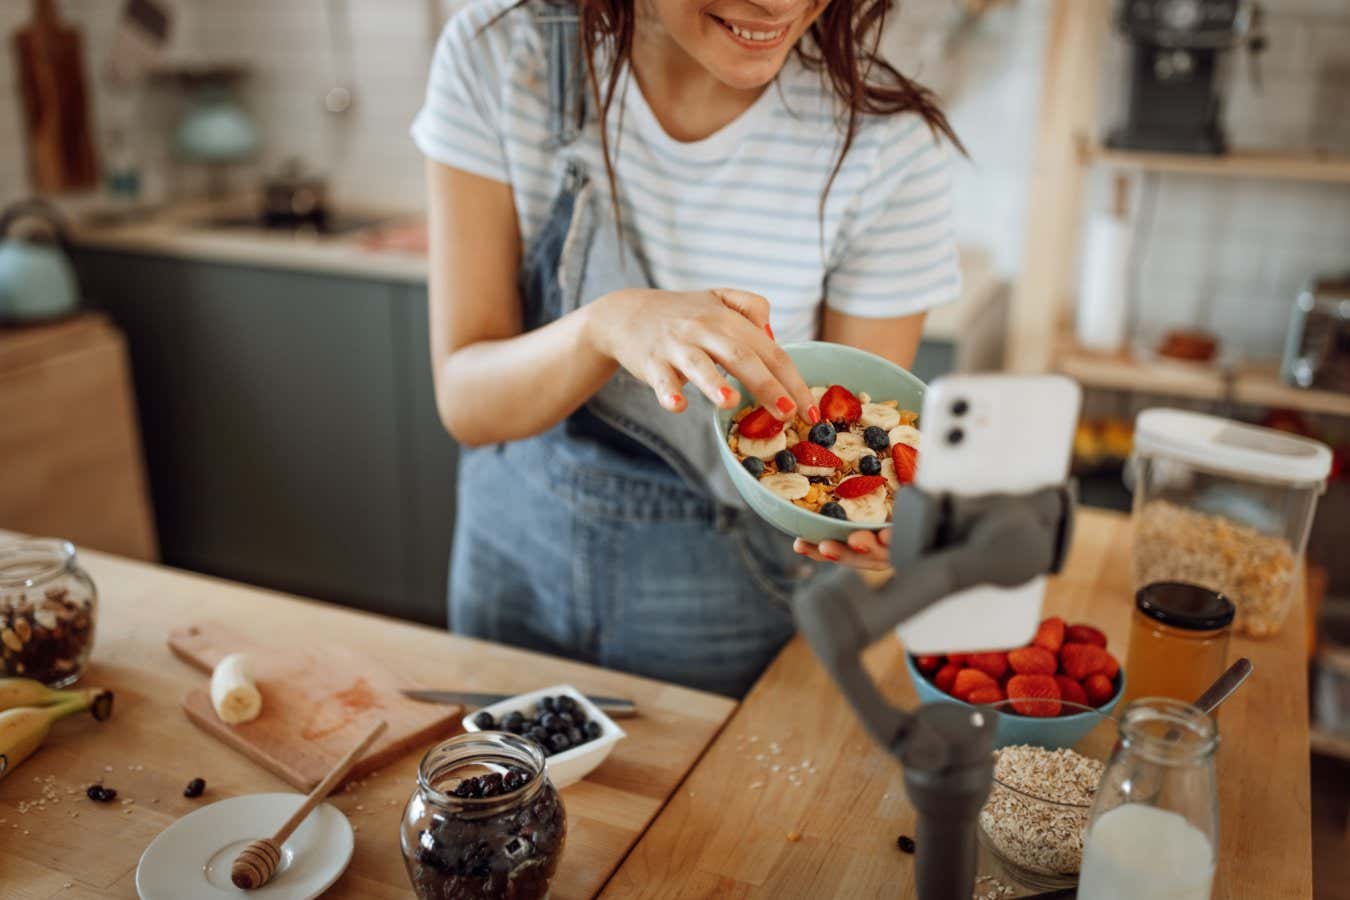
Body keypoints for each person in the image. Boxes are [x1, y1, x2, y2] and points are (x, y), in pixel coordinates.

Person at [412, 0, 961, 696]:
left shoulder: (886, 145)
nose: (779, 4)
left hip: (730, 598)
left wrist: (879, 534)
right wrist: (604, 326)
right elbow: (468, 402)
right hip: (511, 564)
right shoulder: (500, 56)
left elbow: (861, 443)